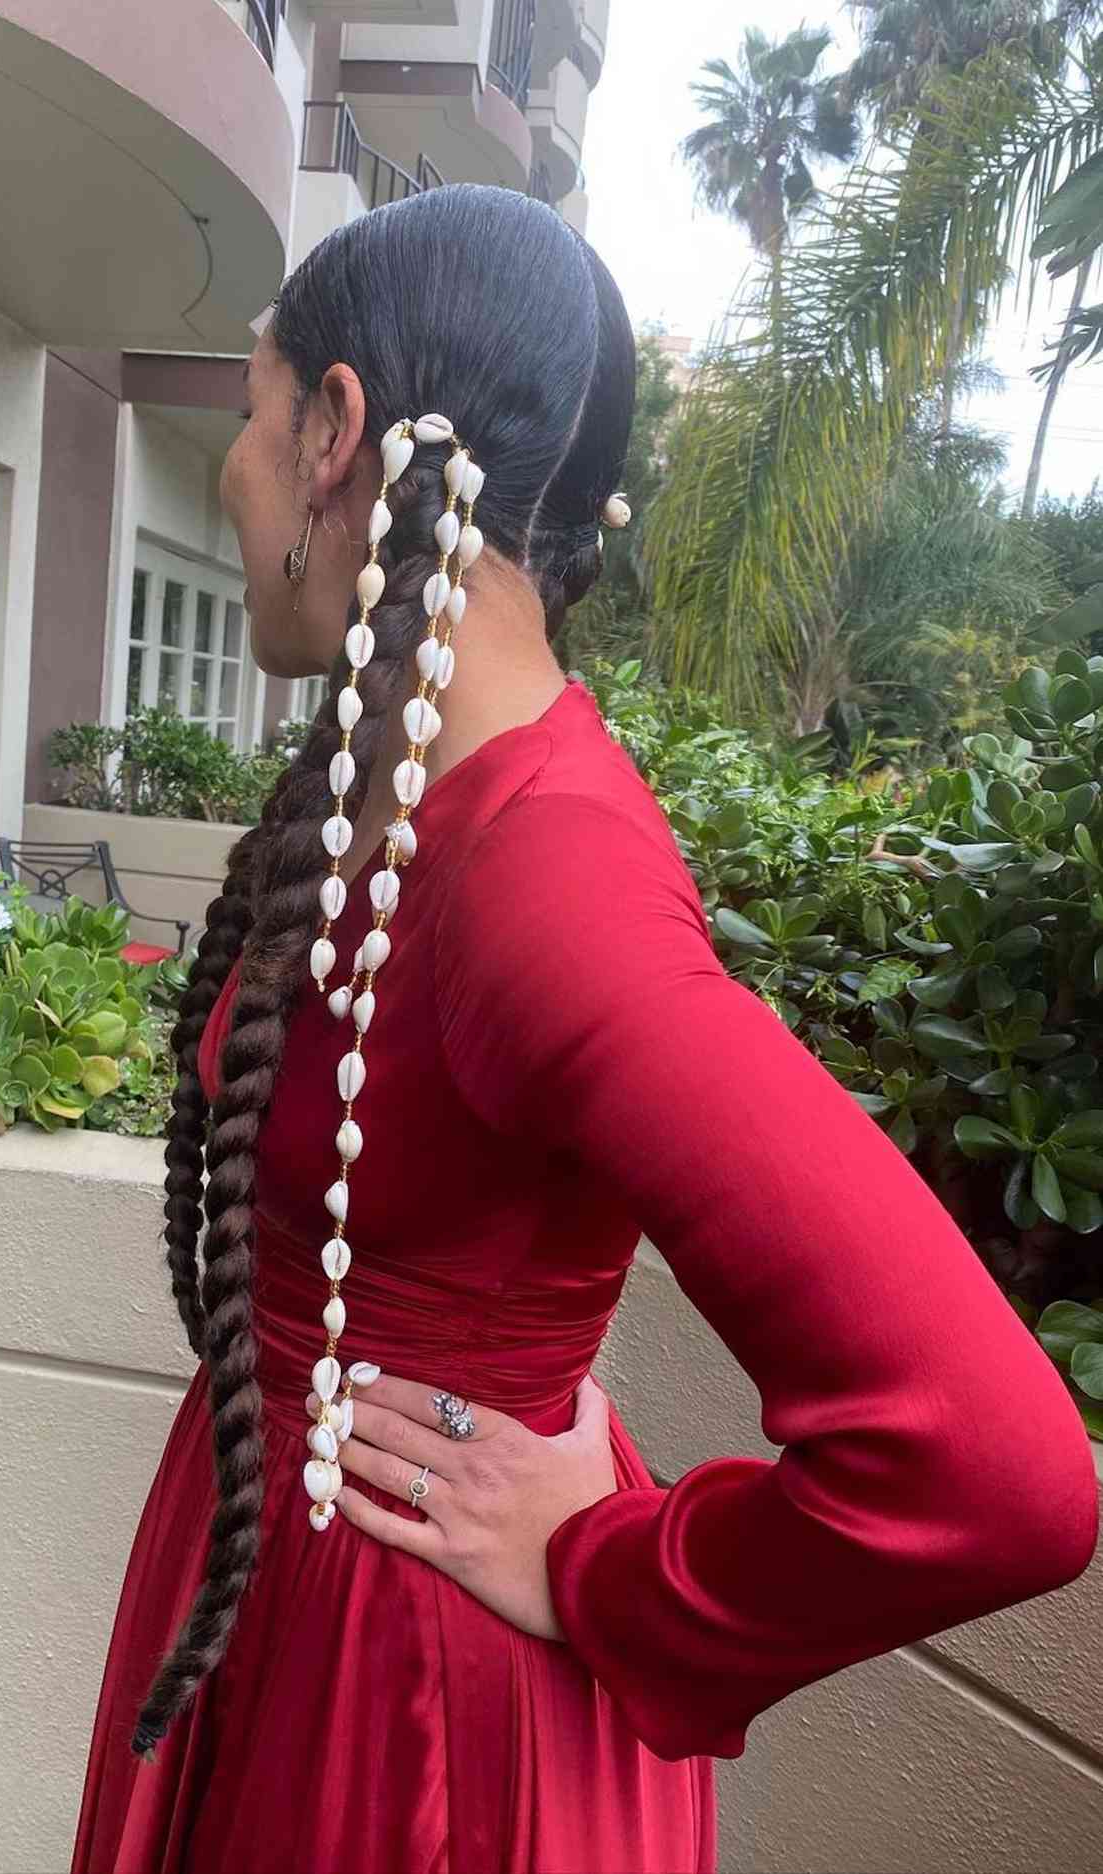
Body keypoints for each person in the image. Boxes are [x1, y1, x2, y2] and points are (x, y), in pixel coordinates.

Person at [69, 184, 1098, 1874]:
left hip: (408, 1703)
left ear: (335, 433)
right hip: (289, 1576)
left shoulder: (545, 873)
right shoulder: (401, 784)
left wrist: (618, 1566)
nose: (234, 472)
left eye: (248, 417)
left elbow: (998, 1463)